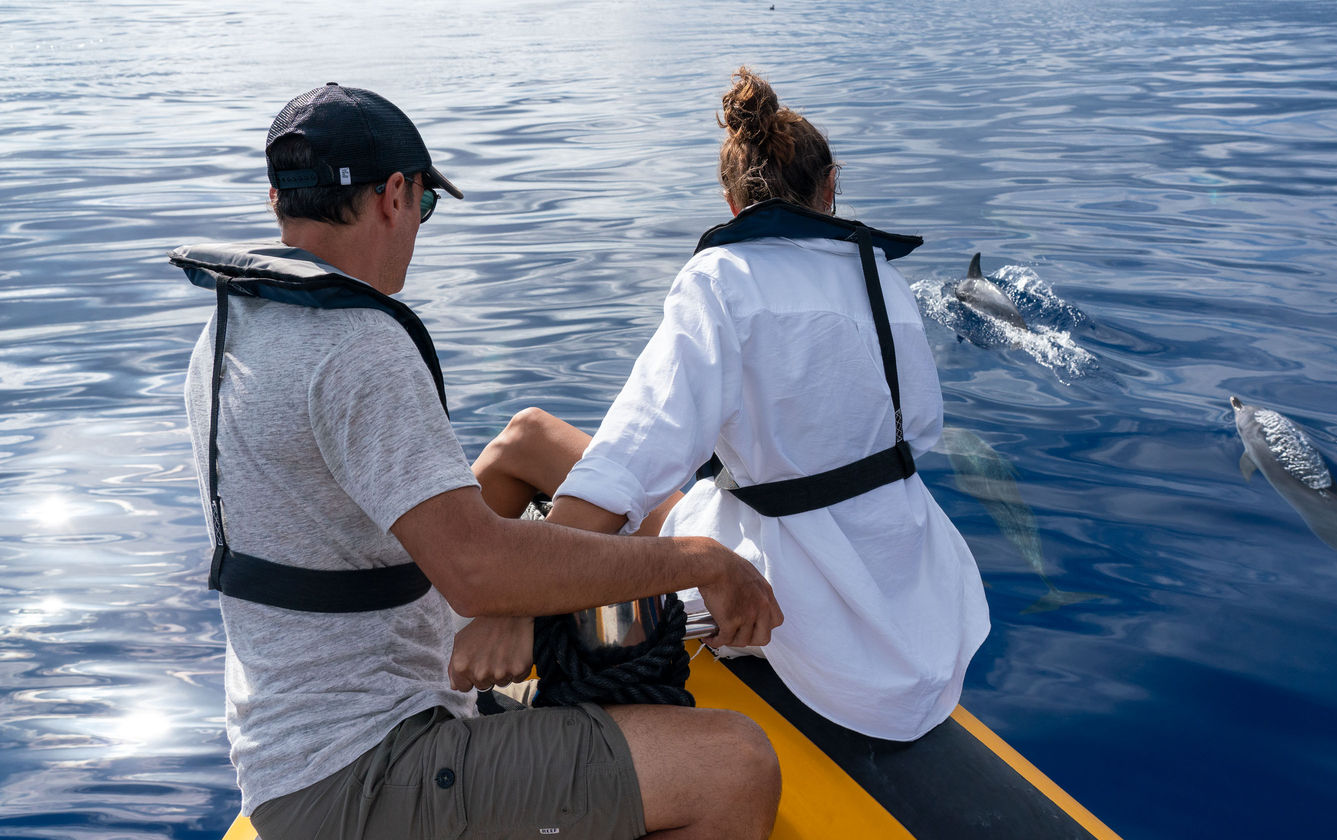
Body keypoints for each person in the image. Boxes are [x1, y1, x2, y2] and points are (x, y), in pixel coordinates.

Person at [176, 83, 783, 840]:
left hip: (286, 756)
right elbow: (476, 569)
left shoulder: (231, 330)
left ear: (279, 200)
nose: (419, 229)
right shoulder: (356, 346)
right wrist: (702, 561)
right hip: (363, 774)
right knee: (734, 766)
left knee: (605, 630)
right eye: (425, 207)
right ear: (395, 194)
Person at [471, 68, 989, 742]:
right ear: (831, 187)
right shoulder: (883, 281)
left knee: (524, 439)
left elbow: (628, 458)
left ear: (729, 199)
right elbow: (918, 430)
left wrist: (520, 596)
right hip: (913, 614)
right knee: (546, 441)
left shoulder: (720, 279)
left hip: (783, 607)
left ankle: (425, 620)